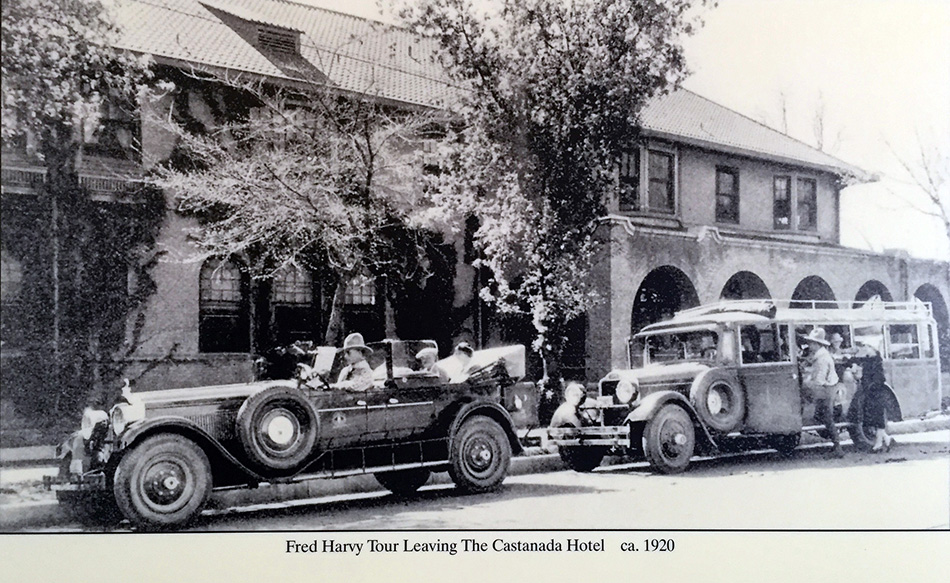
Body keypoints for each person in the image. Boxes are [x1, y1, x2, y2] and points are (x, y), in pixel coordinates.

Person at [800, 327, 844, 458]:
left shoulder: (822, 359)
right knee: (824, 417)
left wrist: (806, 385)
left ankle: (838, 448)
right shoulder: (820, 356)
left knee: (827, 418)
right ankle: (836, 446)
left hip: (825, 390)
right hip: (827, 389)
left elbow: (819, 380)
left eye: (811, 343)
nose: (809, 345)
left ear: (817, 344)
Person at [851, 342, 896, 453]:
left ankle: (878, 444)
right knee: (874, 420)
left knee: (877, 419)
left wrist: (871, 386)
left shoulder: (876, 361)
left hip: (876, 393)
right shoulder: (868, 360)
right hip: (870, 394)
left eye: (866, 346)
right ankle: (886, 439)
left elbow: (879, 379)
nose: (864, 349)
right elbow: (854, 360)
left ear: (872, 348)